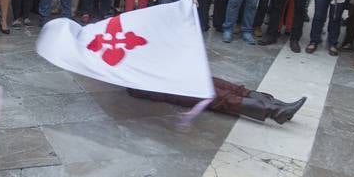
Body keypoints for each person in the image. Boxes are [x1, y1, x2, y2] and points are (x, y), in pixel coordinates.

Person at [128, 78, 305, 124]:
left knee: (232, 88)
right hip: (170, 86)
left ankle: (280, 106)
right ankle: (276, 112)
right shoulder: (127, 75)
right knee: (221, 97)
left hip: (179, 74)